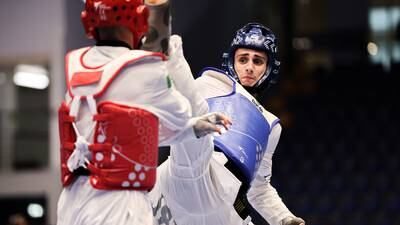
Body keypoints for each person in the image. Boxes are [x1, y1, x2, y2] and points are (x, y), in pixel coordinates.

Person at [56, 0, 230, 225]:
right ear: (138, 18)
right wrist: (165, 53)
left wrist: (194, 128)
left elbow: (122, 132)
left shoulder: (75, 64)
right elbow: (181, 114)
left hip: (72, 203)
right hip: (118, 204)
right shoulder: (145, 67)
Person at [149, 23, 305, 225]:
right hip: (187, 173)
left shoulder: (271, 125)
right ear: (232, 62)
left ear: (268, 69)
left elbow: (259, 188)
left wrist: (284, 218)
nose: (249, 66)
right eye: (243, 59)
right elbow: (175, 108)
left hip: (222, 203)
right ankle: (166, 46)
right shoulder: (210, 82)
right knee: (196, 122)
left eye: (258, 61)